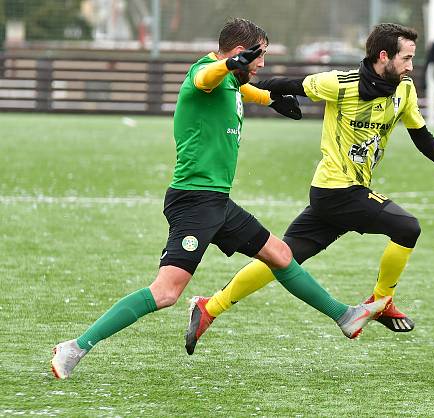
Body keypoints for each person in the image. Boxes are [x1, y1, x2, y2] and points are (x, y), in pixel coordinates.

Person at [50, 18, 389, 379]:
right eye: (259, 57)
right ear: (241, 53)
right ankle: (75, 347)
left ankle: (344, 315)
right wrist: (228, 64)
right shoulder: (206, 72)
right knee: (165, 293)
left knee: (280, 255)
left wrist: (273, 99)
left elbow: (247, 90)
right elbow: (206, 78)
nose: (262, 65)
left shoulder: (232, 80)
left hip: (217, 203)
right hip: (194, 202)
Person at [183, 23, 434, 355]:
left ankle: (210, 307)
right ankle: (381, 301)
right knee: (407, 227)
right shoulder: (340, 83)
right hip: (337, 190)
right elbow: (286, 83)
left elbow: (420, 133)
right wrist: (257, 92)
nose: (411, 66)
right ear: (384, 56)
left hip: (341, 193)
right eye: (406, 58)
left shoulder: (405, 90)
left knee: (282, 258)